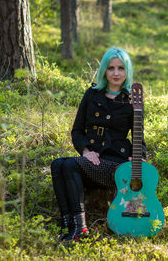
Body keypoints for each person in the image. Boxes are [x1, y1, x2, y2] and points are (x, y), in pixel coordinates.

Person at [50, 47, 146, 242]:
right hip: (93, 158)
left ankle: (81, 229)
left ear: (127, 71)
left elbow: (139, 136)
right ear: (104, 70)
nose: (116, 73)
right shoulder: (92, 94)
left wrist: (138, 157)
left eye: (121, 68)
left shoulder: (131, 100)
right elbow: (77, 131)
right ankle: (69, 224)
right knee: (57, 164)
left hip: (115, 163)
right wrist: (85, 150)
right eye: (111, 68)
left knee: (68, 164)